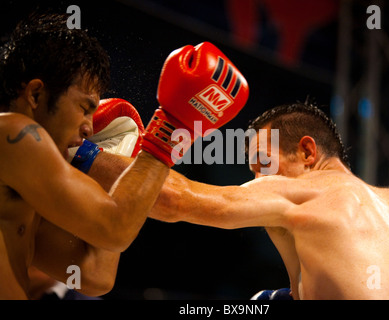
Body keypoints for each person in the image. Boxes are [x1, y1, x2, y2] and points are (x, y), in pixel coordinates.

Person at [0, 11, 248, 299]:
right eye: (84, 107)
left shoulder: (21, 199)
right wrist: (168, 132)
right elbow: (115, 228)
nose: (89, 126)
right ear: (35, 94)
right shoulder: (13, 134)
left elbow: (94, 275)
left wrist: (122, 175)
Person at [146, 101, 389, 300]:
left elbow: (174, 200)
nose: (258, 183)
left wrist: (107, 155)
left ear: (307, 152)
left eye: (263, 164)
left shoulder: (305, 193)